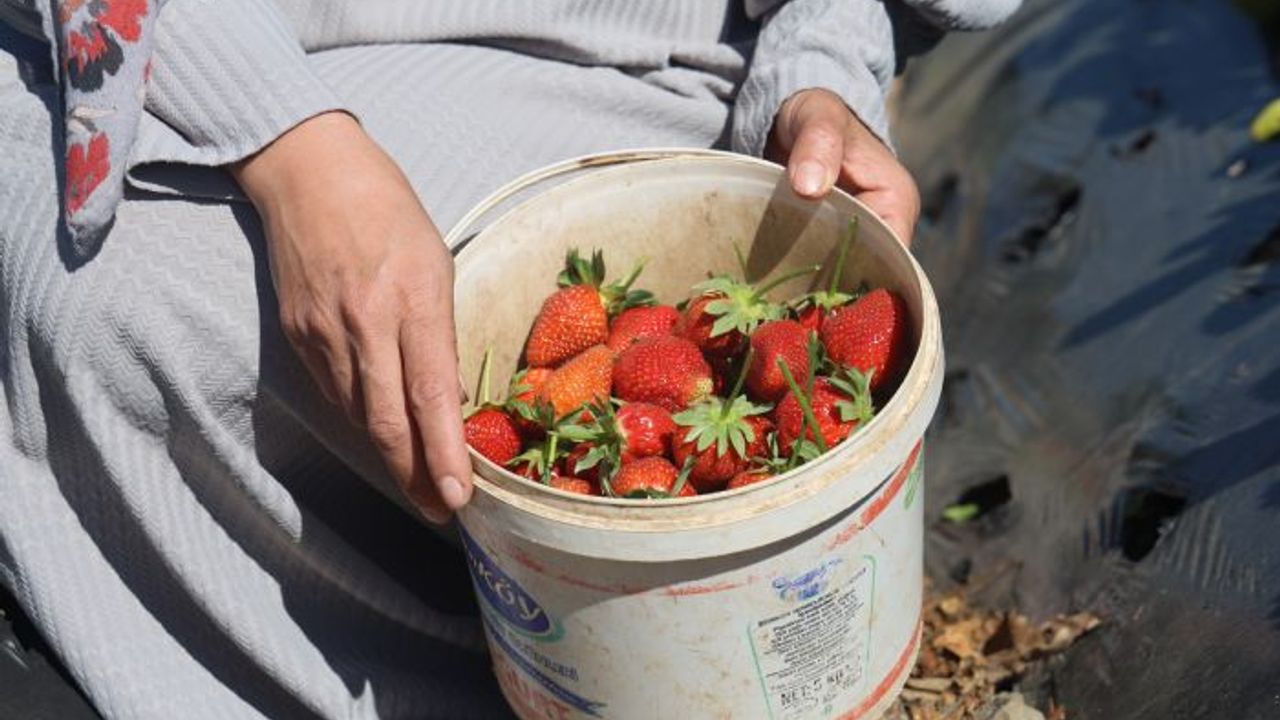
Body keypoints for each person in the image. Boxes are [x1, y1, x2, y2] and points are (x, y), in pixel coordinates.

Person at [0, 1, 1019, 717]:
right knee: (112, 302)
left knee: (452, 315)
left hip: (632, 50)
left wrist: (818, 70)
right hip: (179, 36)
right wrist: (289, 146)